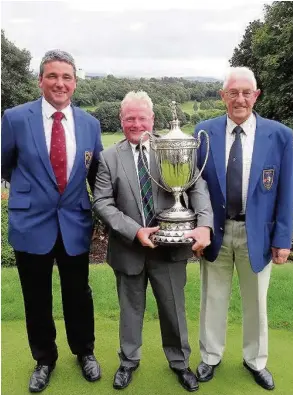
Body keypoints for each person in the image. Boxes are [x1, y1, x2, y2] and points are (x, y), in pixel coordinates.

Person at [93, 91, 213, 392]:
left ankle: (179, 363)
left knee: (174, 309)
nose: (136, 124)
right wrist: (135, 231)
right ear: (121, 120)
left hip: (171, 249)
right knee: (130, 310)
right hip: (129, 247)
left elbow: (196, 186)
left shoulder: (171, 146)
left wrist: (205, 225)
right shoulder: (108, 157)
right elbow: (103, 203)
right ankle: (128, 362)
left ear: (152, 119)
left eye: (141, 117)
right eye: (129, 118)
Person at [1, 50, 103, 393]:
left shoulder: (90, 124)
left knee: (78, 293)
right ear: (41, 80)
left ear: (74, 82)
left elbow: (94, 174)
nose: (60, 83)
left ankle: (84, 351)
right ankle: (44, 359)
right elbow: (5, 165)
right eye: (53, 76)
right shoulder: (15, 119)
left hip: (74, 222)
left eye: (67, 77)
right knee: (36, 296)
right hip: (31, 224)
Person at [194, 67, 293, 391]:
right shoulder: (204, 133)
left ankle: (256, 361)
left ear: (256, 96)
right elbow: (195, 187)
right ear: (222, 96)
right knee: (213, 298)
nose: (240, 98)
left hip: (259, 237)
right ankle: (210, 356)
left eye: (246, 92)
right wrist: (199, 228)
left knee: (257, 302)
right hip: (217, 233)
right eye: (233, 92)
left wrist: (283, 239)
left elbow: (286, 191)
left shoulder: (280, 136)